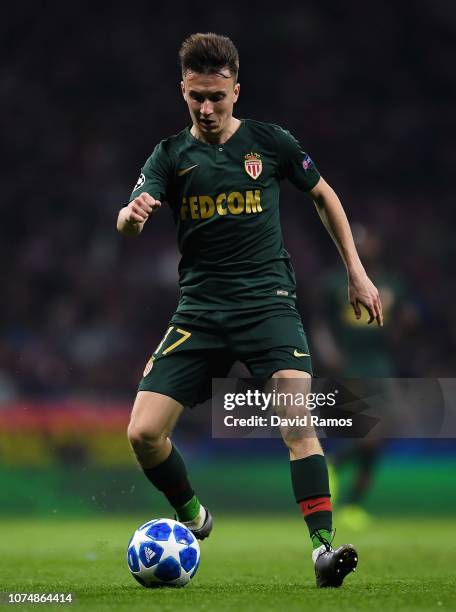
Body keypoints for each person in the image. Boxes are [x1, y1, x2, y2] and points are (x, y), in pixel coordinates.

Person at [117, 32, 383, 588]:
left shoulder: (271, 143)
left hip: (268, 307)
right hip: (200, 312)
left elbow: (324, 195)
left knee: (297, 418)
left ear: (236, 90)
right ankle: (194, 516)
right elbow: (129, 215)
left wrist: (357, 272)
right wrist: (132, 214)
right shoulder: (170, 155)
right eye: (196, 97)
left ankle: (323, 552)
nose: (207, 108)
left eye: (217, 96)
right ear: (183, 92)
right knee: (142, 434)